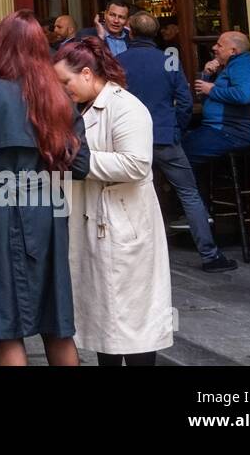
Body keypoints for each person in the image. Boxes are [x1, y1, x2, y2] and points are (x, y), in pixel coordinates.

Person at [0, 9, 82, 367]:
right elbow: (80, 162)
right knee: (57, 322)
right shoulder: (59, 95)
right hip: (49, 207)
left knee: (4, 324)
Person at [55, 36, 175, 366]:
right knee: (104, 321)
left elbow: (137, 164)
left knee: (134, 324)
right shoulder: (81, 108)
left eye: (66, 81)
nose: (63, 89)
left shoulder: (126, 107)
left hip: (125, 229)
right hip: (94, 223)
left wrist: (82, 163)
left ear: (86, 73)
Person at [118, 12, 236, 273]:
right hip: (165, 137)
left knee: (131, 194)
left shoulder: (118, 62)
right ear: (156, 33)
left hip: (131, 140)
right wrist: (176, 128)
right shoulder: (168, 61)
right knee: (189, 193)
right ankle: (209, 254)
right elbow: (184, 102)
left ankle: (139, 258)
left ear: (131, 33)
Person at [184, 31, 250, 164]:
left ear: (233, 51)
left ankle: (190, 185)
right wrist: (206, 75)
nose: (214, 48)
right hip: (220, 130)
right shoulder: (231, 67)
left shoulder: (244, 66)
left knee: (179, 155)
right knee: (178, 148)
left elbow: (243, 96)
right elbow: (205, 97)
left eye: (219, 46)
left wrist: (211, 89)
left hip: (234, 132)